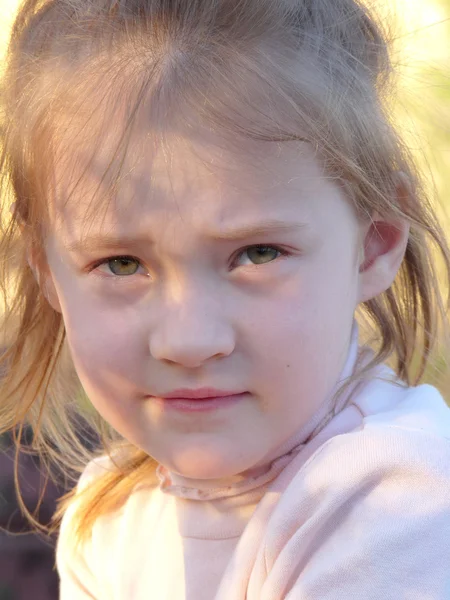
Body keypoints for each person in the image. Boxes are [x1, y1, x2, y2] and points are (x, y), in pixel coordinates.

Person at [1, 0, 450, 597]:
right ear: (47, 273)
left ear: (374, 244)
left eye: (258, 254)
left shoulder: (397, 500)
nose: (189, 340)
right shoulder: (105, 519)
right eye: (121, 264)